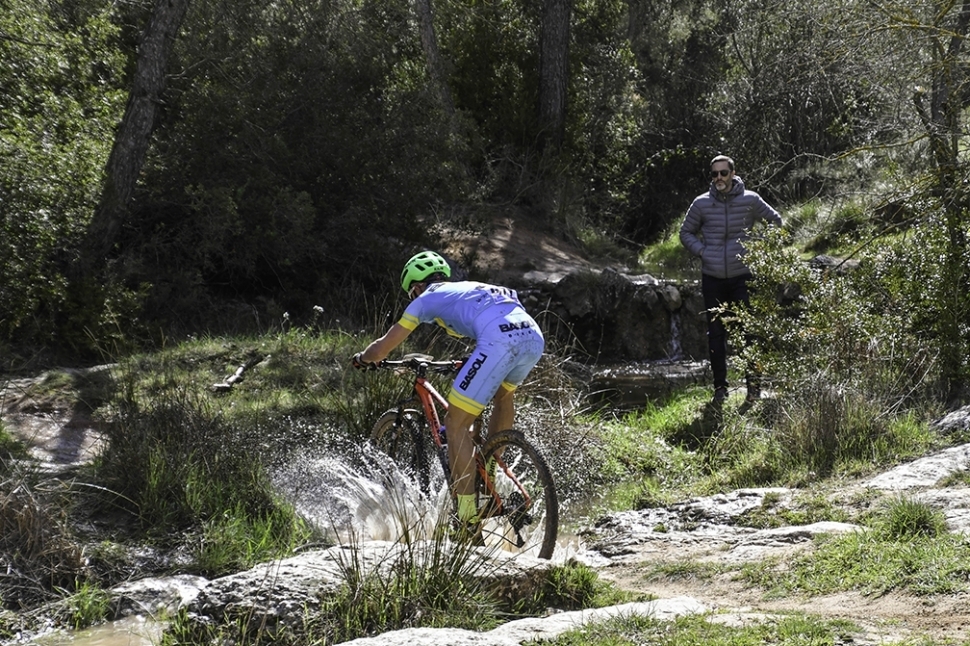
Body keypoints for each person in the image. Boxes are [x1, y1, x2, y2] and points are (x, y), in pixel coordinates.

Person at [352, 250, 545, 532]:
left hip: (498, 339)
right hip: (532, 335)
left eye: (411, 293)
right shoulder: (467, 288)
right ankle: (489, 474)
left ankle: (467, 517)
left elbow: (382, 348)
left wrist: (363, 358)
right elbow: (487, 317)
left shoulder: (425, 299)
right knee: (504, 396)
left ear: (416, 287)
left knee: (455, 424)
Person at [679, 155, 782, 404]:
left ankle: (753, 390)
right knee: (715, 334)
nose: (719, 179)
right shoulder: (701, 203)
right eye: (714, 174)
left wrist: (756, 250)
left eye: (723, 173)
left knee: (749, 333)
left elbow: (776, 223)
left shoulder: (751, 199)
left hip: (743, 276)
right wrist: (703, 251)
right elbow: (685, 232)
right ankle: (720, 389)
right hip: (712, 277)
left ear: (733, 173)